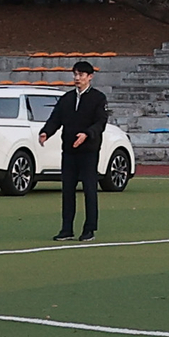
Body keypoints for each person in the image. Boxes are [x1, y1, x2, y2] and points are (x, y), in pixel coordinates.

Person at [42, 61, 114, 241]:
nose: (77, 78)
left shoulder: (98, 98)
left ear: (90, 77)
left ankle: (89, 229)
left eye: (81, 75)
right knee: (67, 190)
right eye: (75, 74)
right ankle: (67, 229)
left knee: (89, 189)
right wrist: (46, 132)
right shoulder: (66, 99)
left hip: (88, 151)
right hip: (68, 151)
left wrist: (87, 134)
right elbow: (55, 118)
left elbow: (100, 123)